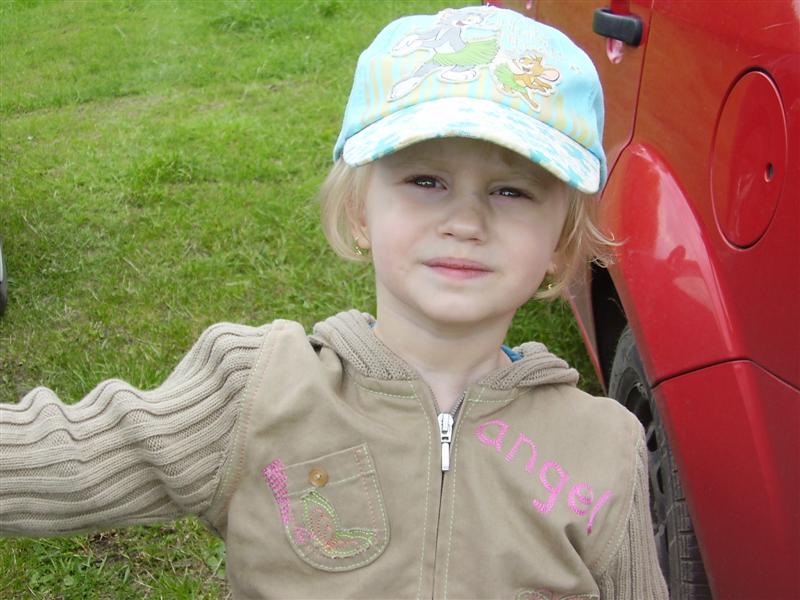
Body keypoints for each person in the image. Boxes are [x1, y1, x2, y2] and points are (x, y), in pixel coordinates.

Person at [0, 5, 668, 599]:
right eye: (426, 180)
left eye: (511, 191)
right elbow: (54, 460)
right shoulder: (257, 393)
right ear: (358, 211)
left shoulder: (603, 448)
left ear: (561, 241)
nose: (466, 221)